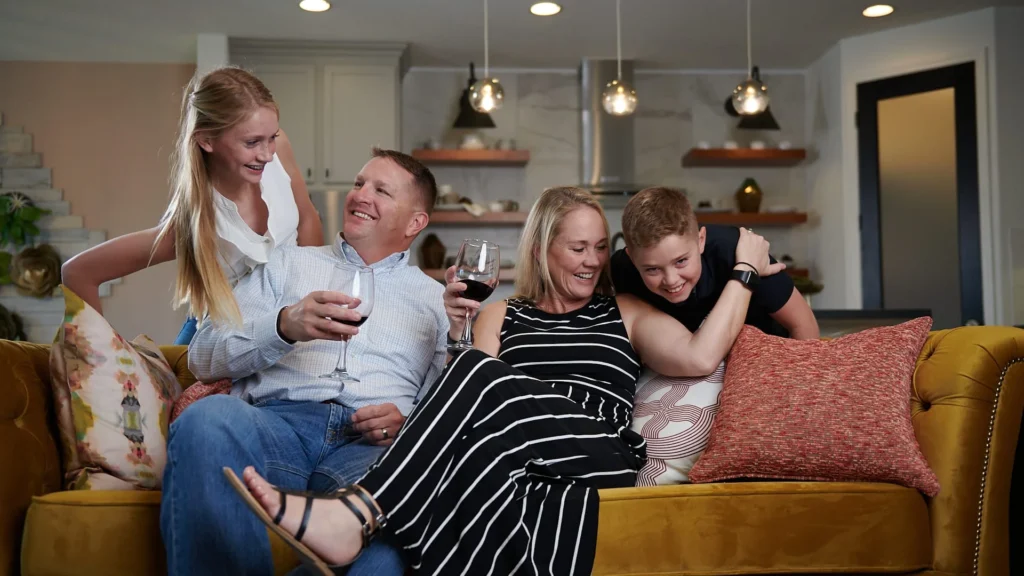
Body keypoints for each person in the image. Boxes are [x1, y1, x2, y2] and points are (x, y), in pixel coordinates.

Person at [220, 186, 784, 576]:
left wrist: (744, 272)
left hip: (595, 452)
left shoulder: (626, 311)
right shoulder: (501, 314)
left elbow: (701, 354)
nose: (592, 261)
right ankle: (356, 526)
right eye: (577, 248)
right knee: (473, 373)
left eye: (597, 247)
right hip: (515, 463)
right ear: (543, 248)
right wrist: (454, 338)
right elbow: (459, 403)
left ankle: (358, 512)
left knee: (482, 374)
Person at [159, 148, 446, 576]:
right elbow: (202, 356)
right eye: (358, 184)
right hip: (278, 428)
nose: (360, 195)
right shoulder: (286, 264)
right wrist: (283, 326)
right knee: (206, 421)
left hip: (371, 451)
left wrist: (406, 420)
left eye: (381, 190)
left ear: (415, 223)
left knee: (399, 528)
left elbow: (448, 404)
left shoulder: (438, 301)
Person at [59, 66, 324, 345]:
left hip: (290, 329)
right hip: (224, 341)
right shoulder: (193, 222)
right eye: (252, 142)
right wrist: (104, 358)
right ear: (206, 140)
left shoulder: (278, 151)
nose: (267, 154)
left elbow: (307, 218)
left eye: (272, 136)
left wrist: (314, 298)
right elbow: (79, 272)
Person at [611, 186, 820, 339]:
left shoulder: (737, 250)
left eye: (681, 261)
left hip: (767, 353)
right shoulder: (621, 270)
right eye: (653, 269)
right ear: (632, 258)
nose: (671, 280)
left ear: (700, 241)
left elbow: (803, 323)